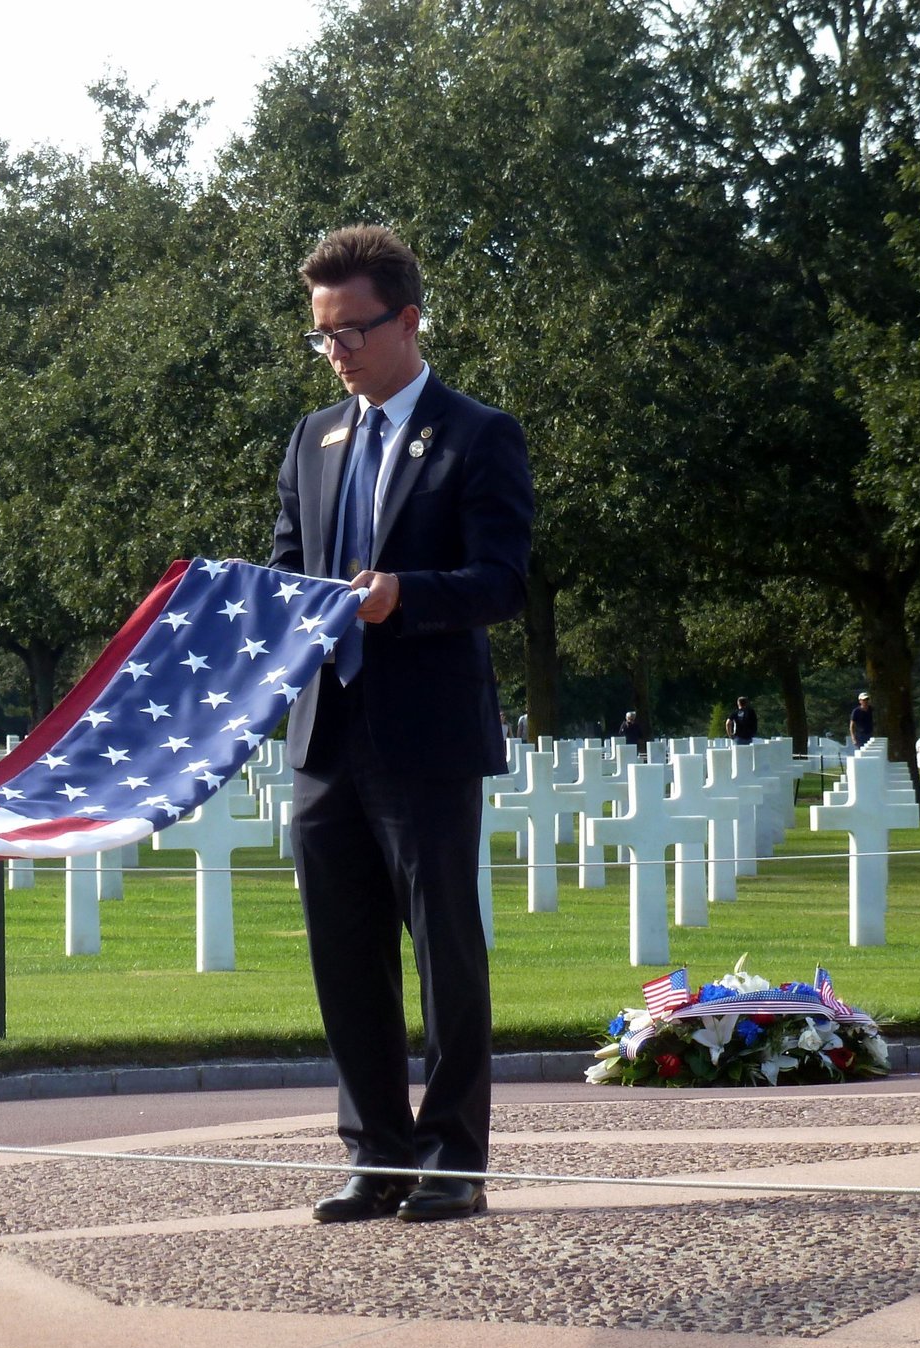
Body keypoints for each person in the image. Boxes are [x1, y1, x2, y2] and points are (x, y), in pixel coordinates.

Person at [270, 224, 532, 1224]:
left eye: (351, 330)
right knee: (344, 957)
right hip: (324, 735)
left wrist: (403, 595)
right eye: (321, 335)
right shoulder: (312, 438)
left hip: (423, 738)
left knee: (443, 954)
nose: (334, 351)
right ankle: (375, 1154)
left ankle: (453, 1157)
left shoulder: (476, 435)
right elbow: (287, 566)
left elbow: (500, 581)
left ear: (408, 320)